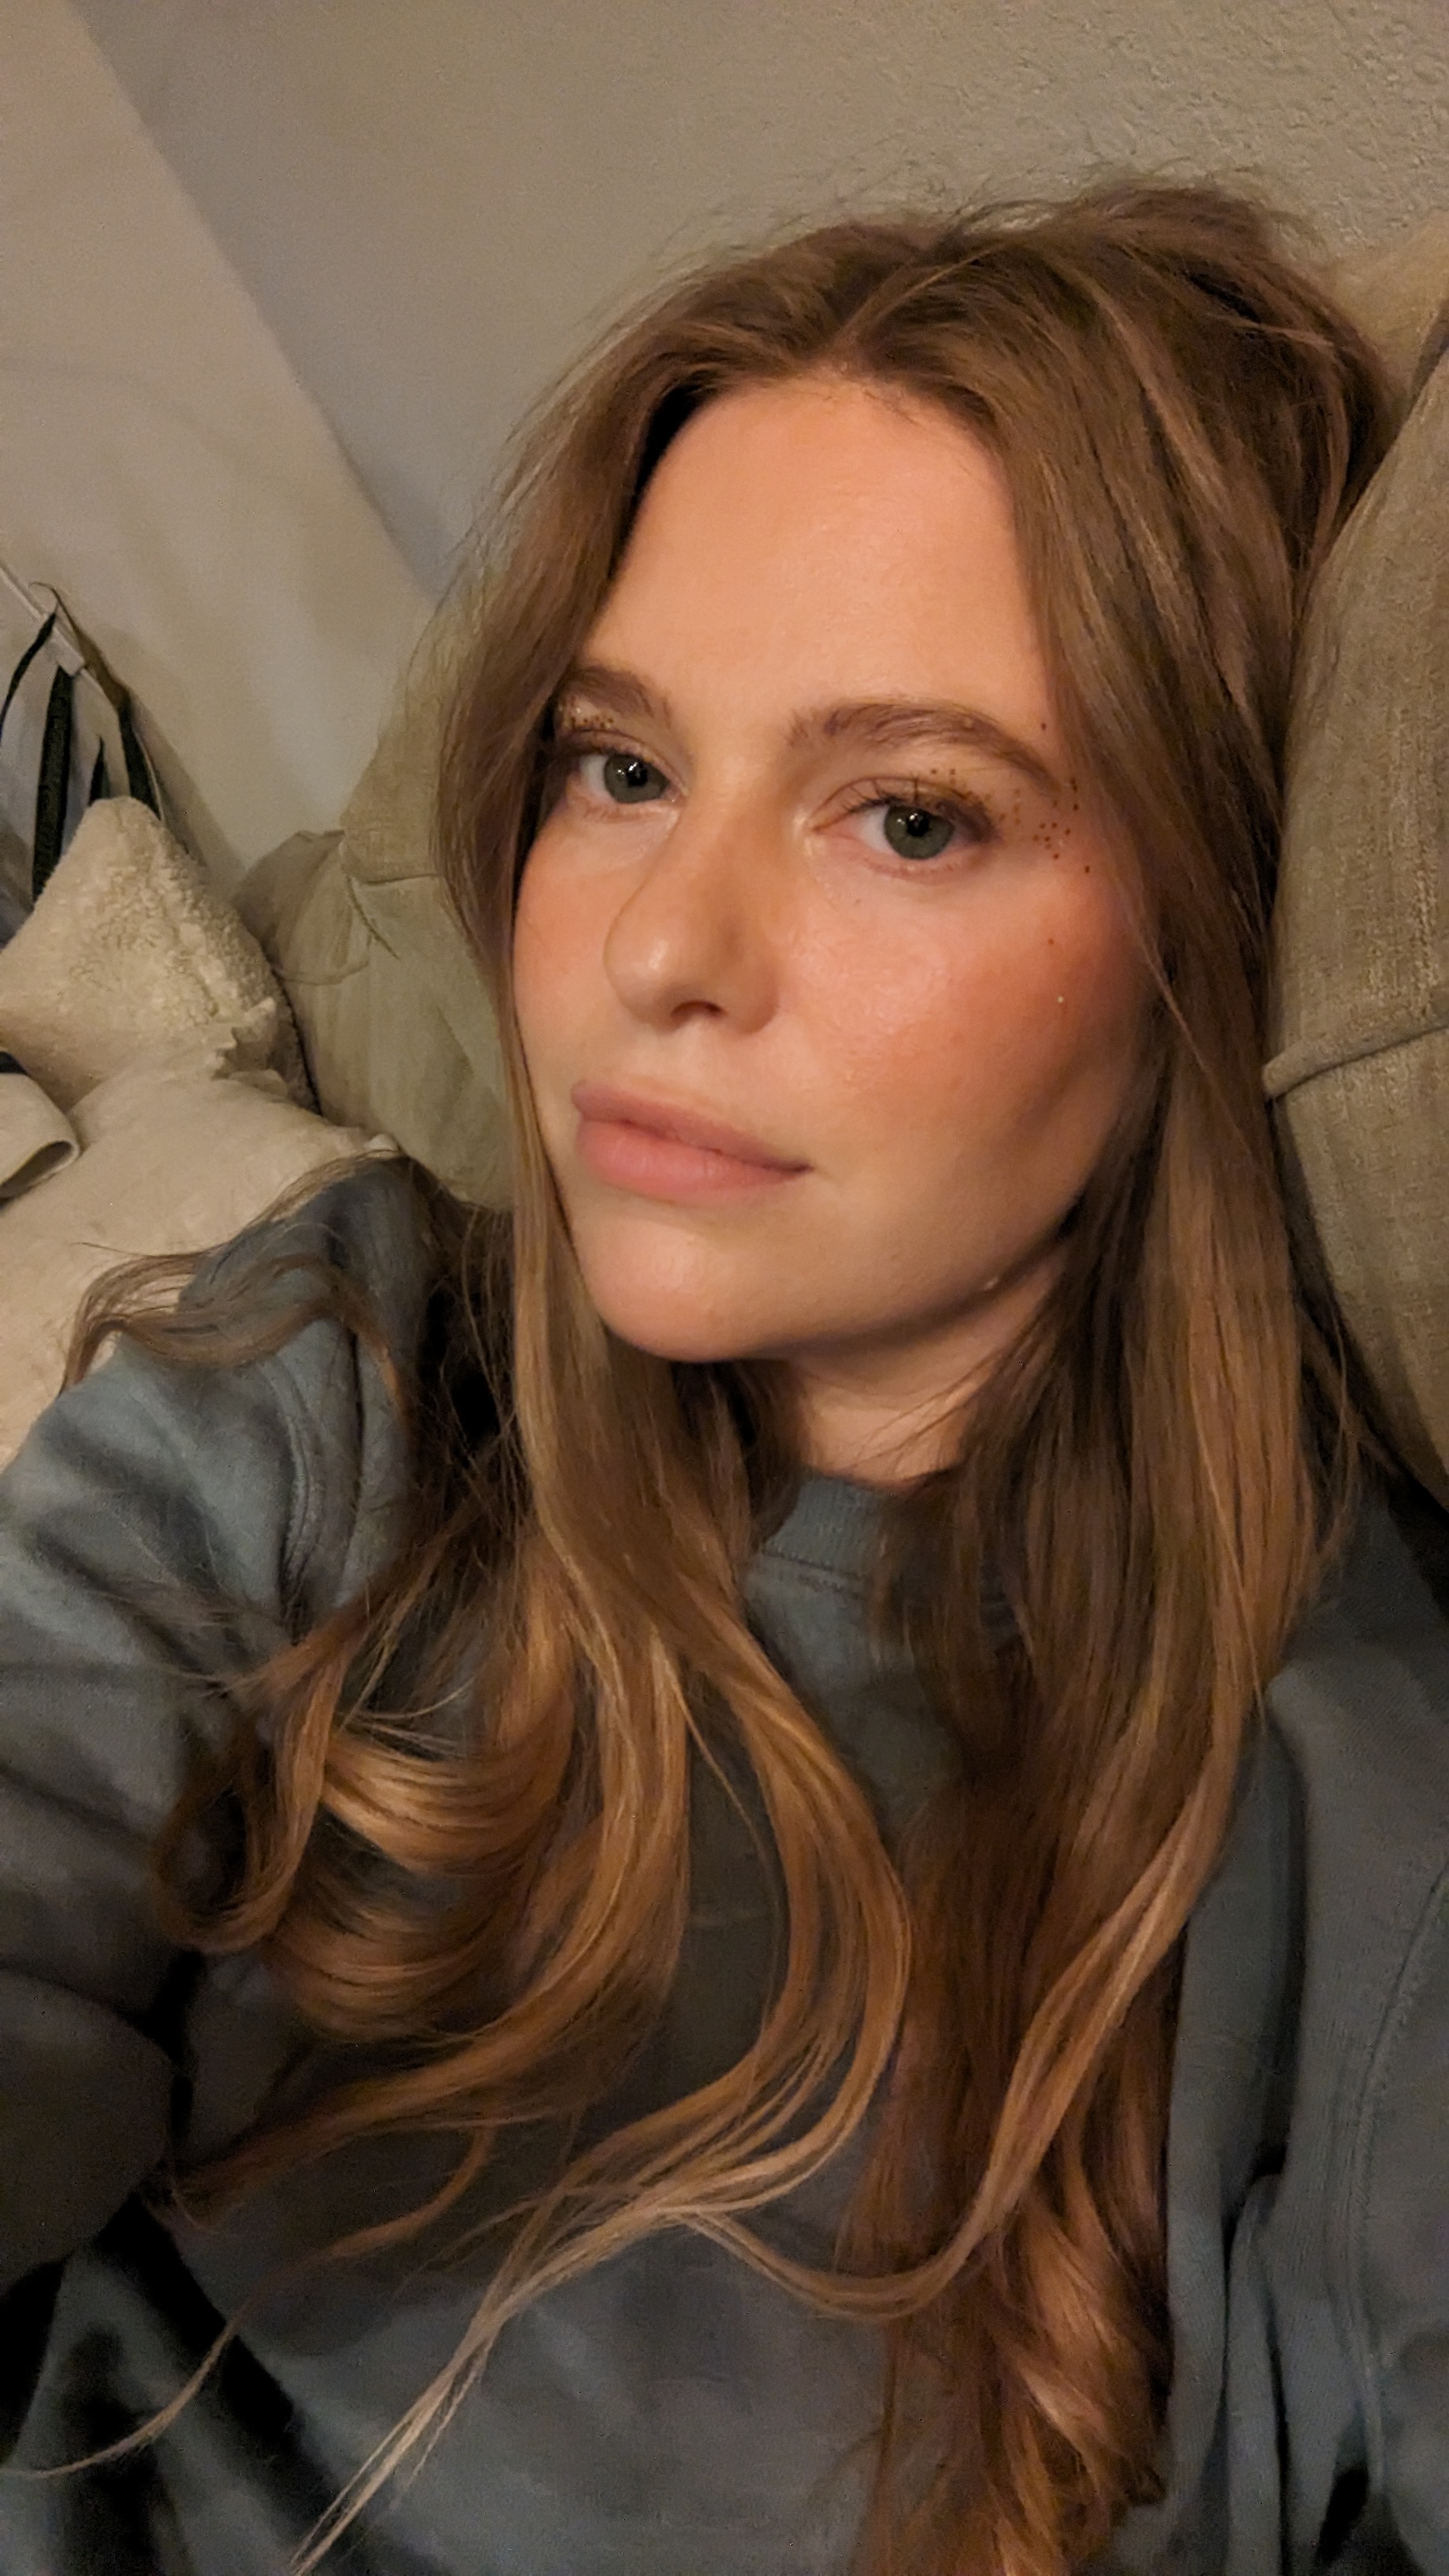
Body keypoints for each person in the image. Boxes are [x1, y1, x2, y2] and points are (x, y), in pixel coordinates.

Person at [0, 175, 1444, 2576]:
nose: (660, 945)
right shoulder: (339, 1372)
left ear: (1203, 926)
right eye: (621, 767)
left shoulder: (1349, 1815)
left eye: (910, 816)